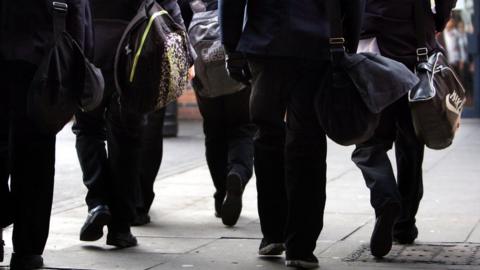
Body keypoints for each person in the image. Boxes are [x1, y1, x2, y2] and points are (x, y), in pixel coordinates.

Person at [220, 0, 364, 268]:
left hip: (266, 42)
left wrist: (231, 47)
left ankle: (273, 233)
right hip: (318, 45)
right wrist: (348, 45)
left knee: (267, 135)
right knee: (308, 139)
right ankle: (301, 246)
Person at [74, 0, 187, 247]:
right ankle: (121, 228)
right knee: (127, 138)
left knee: (87, 128)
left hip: (90, 48)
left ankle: (98, 203)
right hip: (135, 54)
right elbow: (169, 11)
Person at [353, 0, 456, 258]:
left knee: (369, 142)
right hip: (413, 42)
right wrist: (439, 20)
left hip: (370, 46)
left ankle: (385, 197)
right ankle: (404, 223)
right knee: (411, 140)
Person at [0, 0, 93, 268]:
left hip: (37, 61)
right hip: (41, 61)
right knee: (36, 161)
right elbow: (79, 12)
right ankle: (28, 250)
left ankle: (20, 235)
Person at [178, 0, 255, 227]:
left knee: (214, 133)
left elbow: (178, 26)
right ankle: (238, 174)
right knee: (243, 128)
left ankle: (221, 193)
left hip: (205, 75)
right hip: (239, 69)